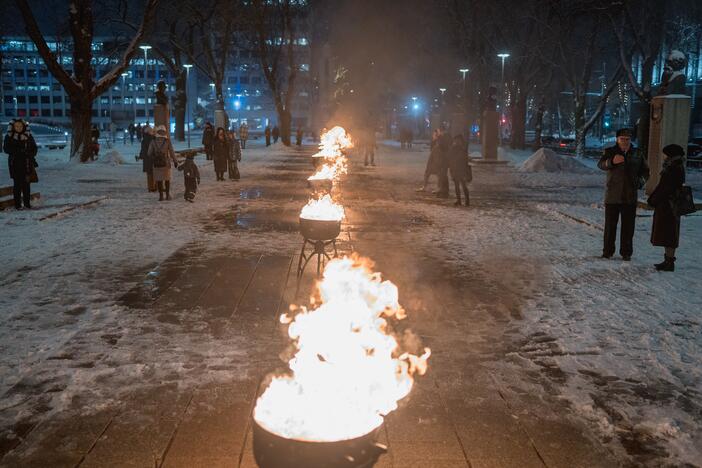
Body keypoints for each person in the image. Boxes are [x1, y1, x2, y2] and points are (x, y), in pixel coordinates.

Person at [597, 128, 649, 260]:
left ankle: (626, 252)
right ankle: (607, 251)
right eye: (622, 139)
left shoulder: (637, 153)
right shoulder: (610, 151)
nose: (625, 141)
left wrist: (639, 183)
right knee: (610, 226)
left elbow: (646, 171)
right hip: (613, 195)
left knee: (628, 227)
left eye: (627, 139)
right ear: (617, 140)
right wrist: (612, 161)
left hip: (629, 196)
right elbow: (601, 164)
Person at [647, 144, 686, 271]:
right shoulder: (673, 166)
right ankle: (667, 260)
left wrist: (654, 199)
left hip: (669, 205)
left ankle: (669, 262)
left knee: (669, 234)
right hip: (667, 204)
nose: (664, 157)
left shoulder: (674, 168)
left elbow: (666, 187)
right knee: (667, 234)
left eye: (666, 154)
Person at [3, 119, 38, 210]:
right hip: (14, 163)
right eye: (16, 126)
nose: (18, 128)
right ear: (13, 127)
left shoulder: (28, 136)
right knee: (17, 184)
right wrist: (18, 151)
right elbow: (6, 149)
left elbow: (34, 148)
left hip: (26, 163)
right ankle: (17, 205)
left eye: (20, 126)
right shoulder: (9, 136)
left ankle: (27, 204)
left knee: (26, 184)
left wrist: (29, 153)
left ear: (23, 127)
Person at [147, 125, 178, 201]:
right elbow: (172, 152)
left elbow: (149, 153)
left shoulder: (153, 141)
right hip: (166, 163)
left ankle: (161, 196)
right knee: (167, 179)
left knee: (159, 180)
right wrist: (175, 161)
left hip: (156, 164)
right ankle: (167, 195)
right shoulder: (167, 141)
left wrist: (154, 155)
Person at [449, 134, 471, 206]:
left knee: (462, 185)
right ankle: (462, 201)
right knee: (459, 186)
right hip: (458, 169)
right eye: (455, 140)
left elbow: (464, 159)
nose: (456, 141)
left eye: (457, 140)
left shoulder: (461, 149)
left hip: (460, 169)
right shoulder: (459, 148)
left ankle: (464, 201)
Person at [138, 124, 156, 192]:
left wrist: (141, 156)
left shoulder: (144, 140)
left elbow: (143, 150)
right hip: (154, 158)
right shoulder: (154, 138)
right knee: (155, 172)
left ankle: (150, 187)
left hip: (147, 158)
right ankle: (155, 186)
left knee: (149, 174)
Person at [435, 127, 452, 198]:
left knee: (442, 175)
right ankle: (444, 191)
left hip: (443, 159)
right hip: (445, 158)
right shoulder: (447, 136)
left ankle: (443, 191)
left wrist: (438, 138)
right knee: (443, 175)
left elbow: (441, 147)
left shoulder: (443, 137)